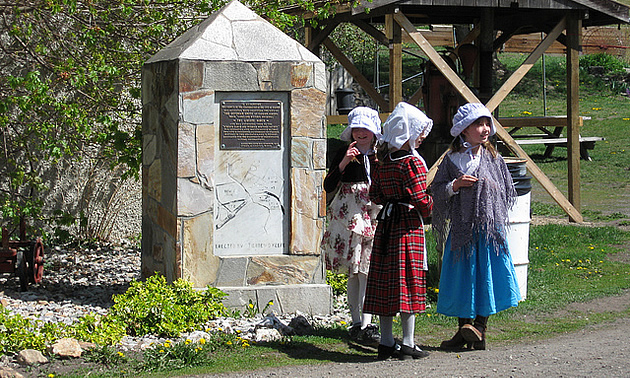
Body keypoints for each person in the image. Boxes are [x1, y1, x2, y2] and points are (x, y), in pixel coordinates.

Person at [431, 102, 521, 351]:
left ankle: (480, 327)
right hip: (462, 229)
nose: (484, 129)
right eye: (478, 124)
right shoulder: (451, 159)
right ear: (463, 129)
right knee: (463, 277)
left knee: (486, 275)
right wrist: (455, 186)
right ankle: (464, 329)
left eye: (486, 124)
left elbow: (505, 189)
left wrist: (487, 187)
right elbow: (437, 190)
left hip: (488, 228)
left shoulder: (492, 157)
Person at [363, 102, 434, 360]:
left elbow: (376, 194)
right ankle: (408, 342)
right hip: (406, 224)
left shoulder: (383, 162)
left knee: (385, 280)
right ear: (408, 133)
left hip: (386, 225)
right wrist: (429, 208)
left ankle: (385, 341)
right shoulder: (411, 164)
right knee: (407, 280)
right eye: (419, 132)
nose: (422, 136)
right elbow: (420, 198)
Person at [321, 106, 382, 345]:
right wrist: (344, 162)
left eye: (365, 128)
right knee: (354, 272)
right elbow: (329, 184)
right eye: (356, 128)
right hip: (349, 217)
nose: (361, 133)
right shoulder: (344, 152)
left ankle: (368, 322)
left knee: (367, 270)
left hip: (372, 215)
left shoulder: (381, 154)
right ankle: (356, 321)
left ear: (373, 131)